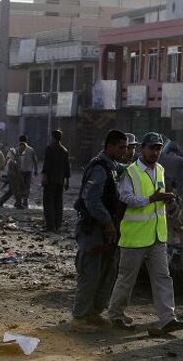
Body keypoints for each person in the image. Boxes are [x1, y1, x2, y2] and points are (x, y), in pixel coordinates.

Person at [107, 132, 183, 334]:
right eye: (151, 148)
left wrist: (166, 200)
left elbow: (157, 196)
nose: (155, 152)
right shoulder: (131, 172)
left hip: (157, 236)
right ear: (142, 149)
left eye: (158, 148)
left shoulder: (160, 169)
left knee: (163, 277)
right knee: (127, 279)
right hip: (134, 238)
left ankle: (168, 317)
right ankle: (116, 315)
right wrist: (151, 199)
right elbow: (126, 198)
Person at [70, 129, 128, 333]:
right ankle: (79, 317)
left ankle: (93, 313)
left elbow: (126, 168)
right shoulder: (99, 166)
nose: (125, 151)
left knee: (106, 272)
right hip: (92, 229)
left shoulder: (112, 166)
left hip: (105, 231)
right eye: (121, 147)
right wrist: (106, 222)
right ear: (110, 146)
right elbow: (91, 199)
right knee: (90, 273)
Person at [42, 130, 71, 233]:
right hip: (60, 181)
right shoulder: (64, 150)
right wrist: (67, 182)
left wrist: (44, 177)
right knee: (58, 203)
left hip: (50, 181)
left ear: (53, 137)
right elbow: (67, 168)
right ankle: (57, 225)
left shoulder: (49, 148)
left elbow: (47, 164)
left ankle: (50, 226)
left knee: (48, 203)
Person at [16, 135, 38, 209]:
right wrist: (36, 170)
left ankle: (19, 202)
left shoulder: (17, 149)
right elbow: (35, 160)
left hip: (20, 171)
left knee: (19, 187)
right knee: (27, 187)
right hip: (28, 171)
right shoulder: (31, 149)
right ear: (27, 141)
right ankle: (25, 202)